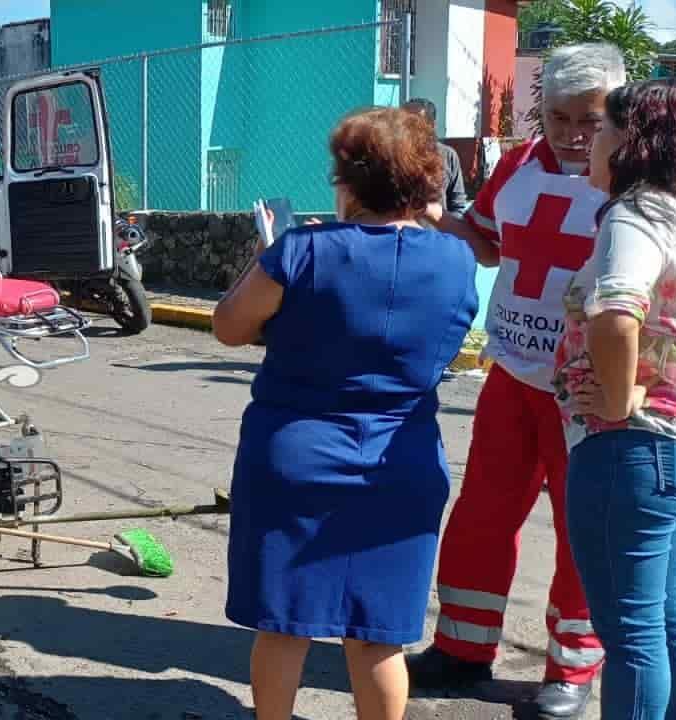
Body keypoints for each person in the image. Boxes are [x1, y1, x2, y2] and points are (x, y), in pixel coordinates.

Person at [213, 106, 477, 720]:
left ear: (350, 181)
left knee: (284, 625)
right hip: (402, 461)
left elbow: (230, 327)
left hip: (295, 457)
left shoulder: (301, 251)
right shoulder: (455, 261)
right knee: (379, 636)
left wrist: (267, 258)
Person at [407, 43, 624, 718]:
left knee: (582, 533)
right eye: (556, 118)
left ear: (615, 110)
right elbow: (489, 239)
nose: (569, 134)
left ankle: (572, 669)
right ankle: (463, 649)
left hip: (586, 393)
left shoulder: (631, 180)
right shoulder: (518, 164)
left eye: (585, 119)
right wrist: (429, 220)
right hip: (512, 376)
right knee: (480, 515)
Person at [555, 78, 676, 720]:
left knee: (636, 636)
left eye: (604, 129)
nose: (590, 141)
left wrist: (616, 401)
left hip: (630, 450)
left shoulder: (635, 214)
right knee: (674, 618)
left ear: (634, 142)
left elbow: (616, 313)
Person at [402, 98, 470, 215]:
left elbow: (457, 205)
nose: (406, 125)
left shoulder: (448, 155)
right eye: (403, 119)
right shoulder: (390, 156)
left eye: (414, 120)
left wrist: (448, 231)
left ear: (431, 125)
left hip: (436, 232)